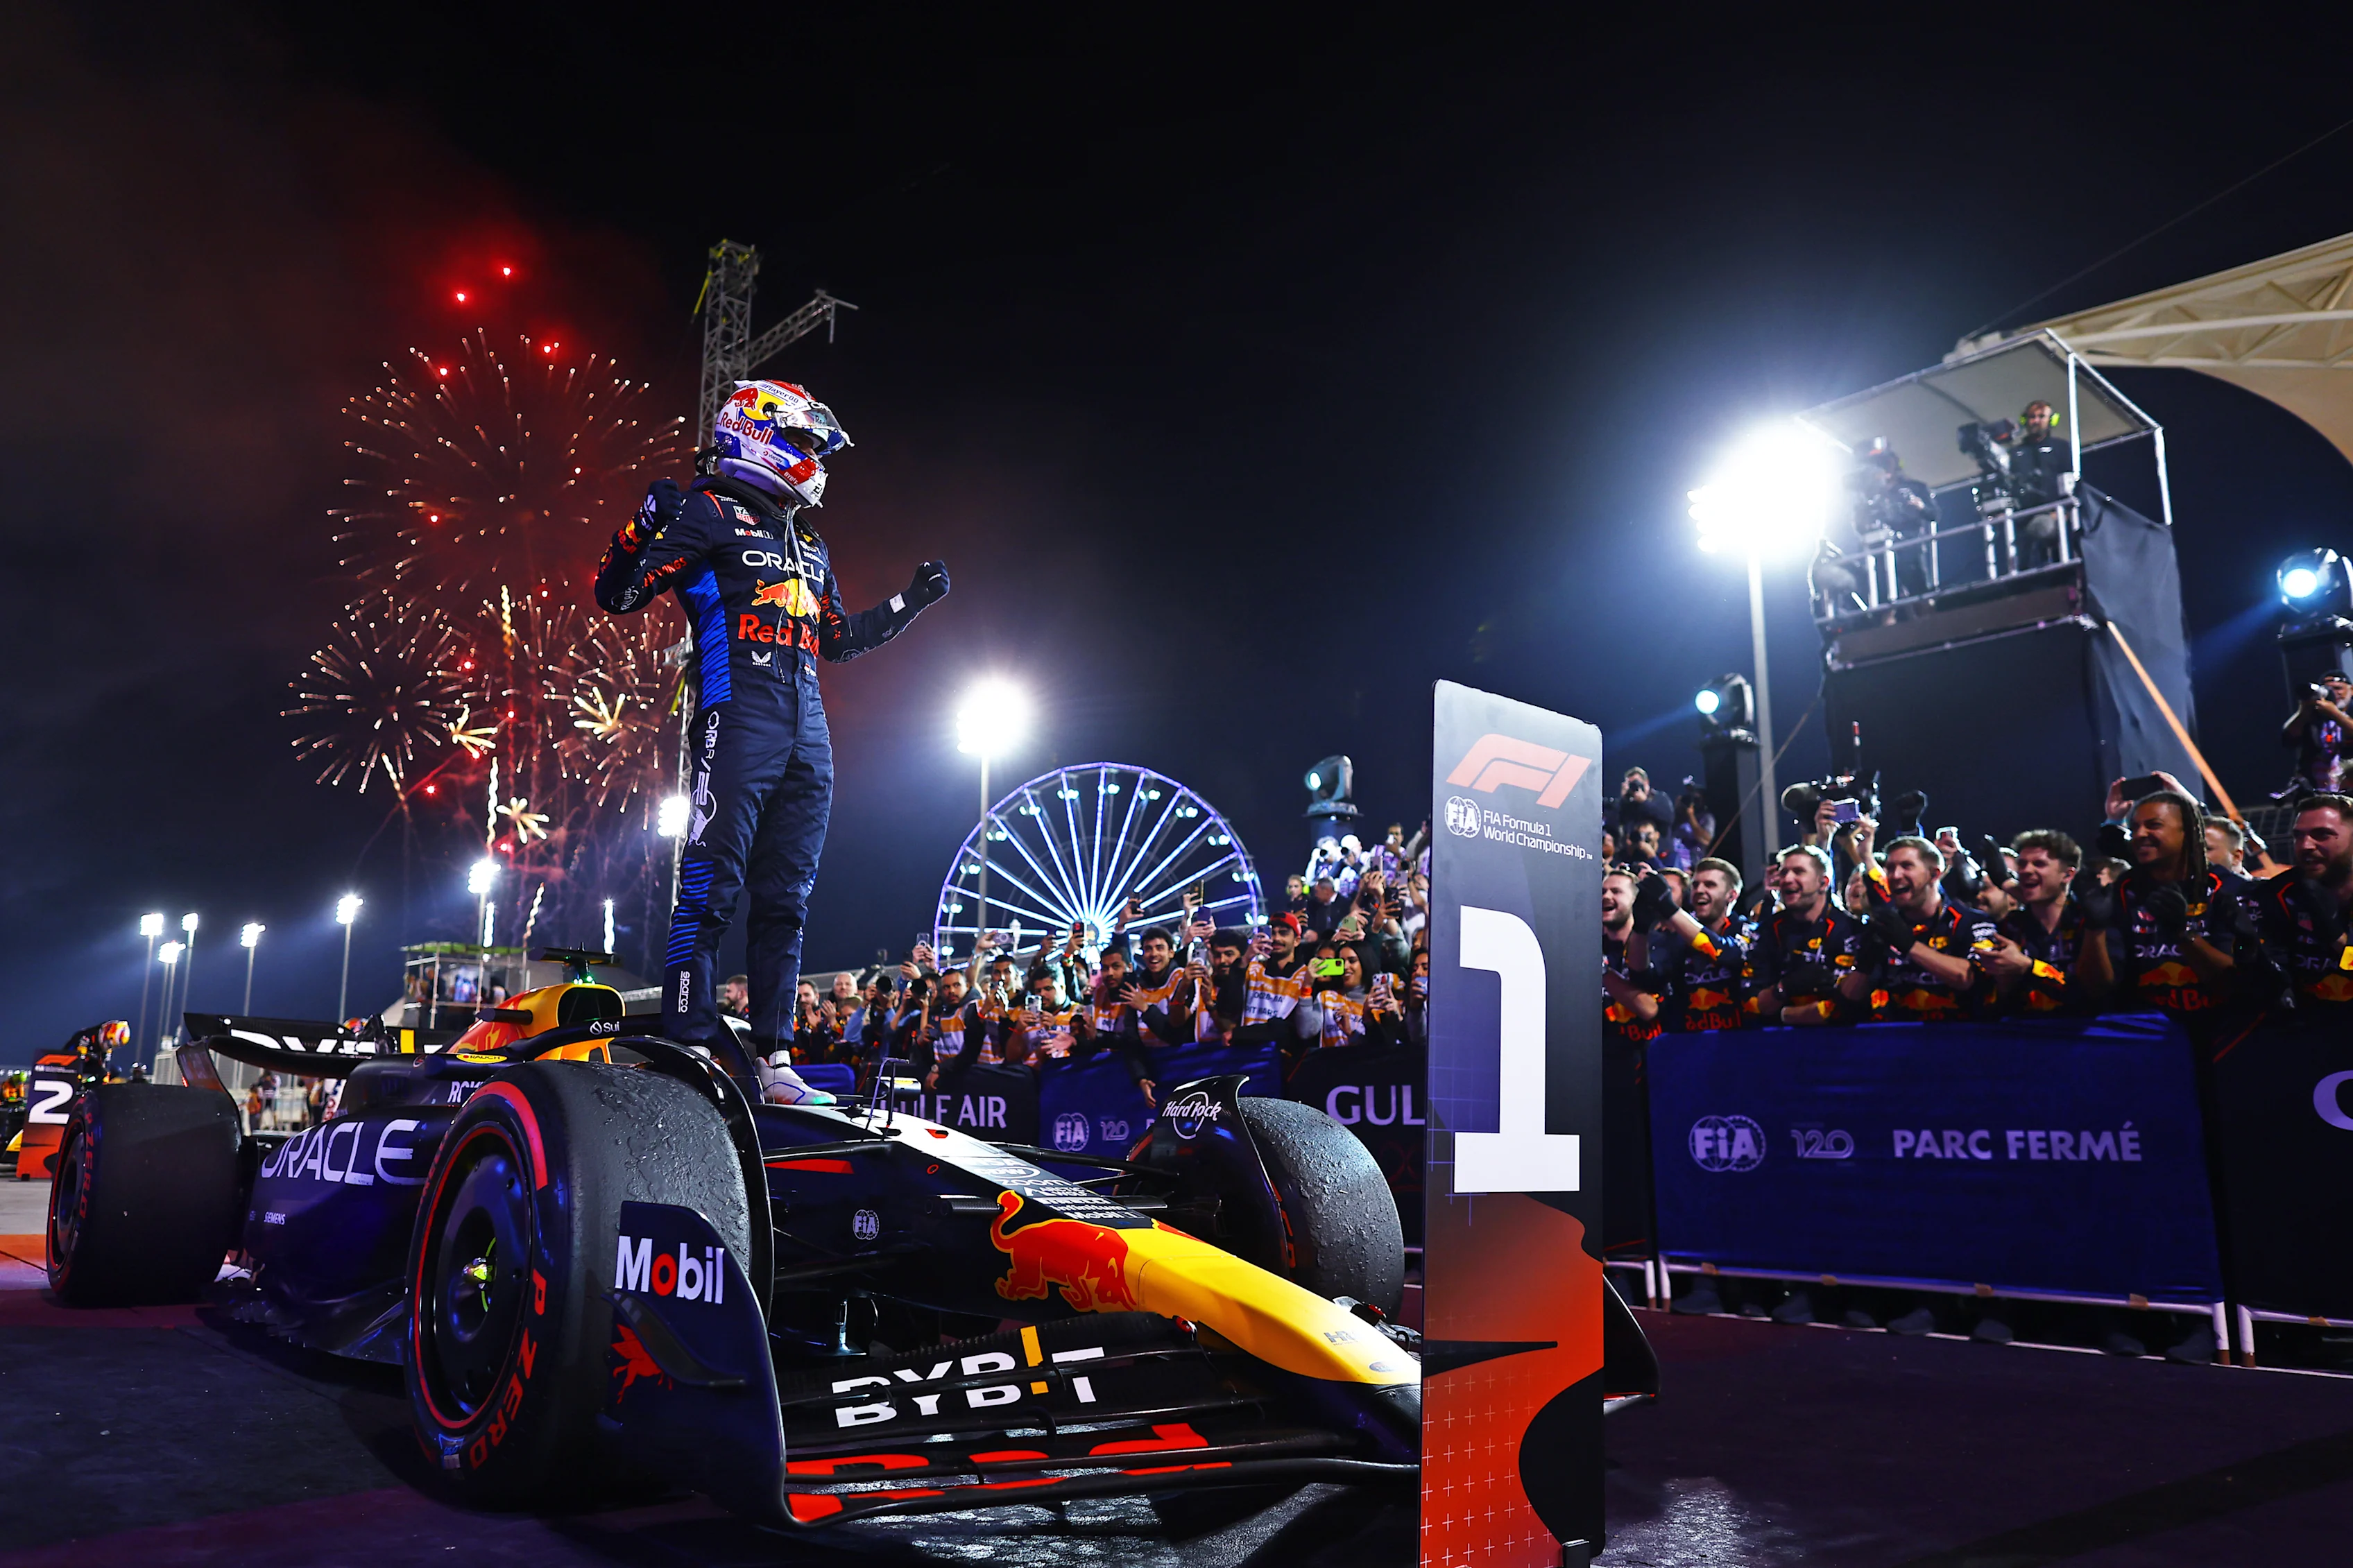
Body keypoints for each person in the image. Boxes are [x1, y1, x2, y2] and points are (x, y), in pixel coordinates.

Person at [592, 379, 950, 1083]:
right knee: (711, 886)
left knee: (786, 898)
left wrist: (911, 600)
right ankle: (690, 1040)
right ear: (757, 432)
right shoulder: (708, 510)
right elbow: (618, 594)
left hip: (807, 735)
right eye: (806, 440)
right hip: (739, 718)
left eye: (818, 446)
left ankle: (775, 1055)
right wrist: (638, 526)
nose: (815, 455)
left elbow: (839, 640)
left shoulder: (808, 539)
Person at [2074, 788, 2248, 1022]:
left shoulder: (2229, 889)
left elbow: (2238, 984)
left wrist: (2183, 935)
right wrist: (2094, 929)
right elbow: (2096, 990)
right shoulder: (2122, 892)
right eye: (2134, 828)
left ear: (2188, 832)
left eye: (2153, 825)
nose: (2140, 834)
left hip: (2222, 1033)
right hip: (2146, 1038)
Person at [1845, 838, 1996, 1022]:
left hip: (1960, 1041)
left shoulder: (1972, 922)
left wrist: (1909, 945)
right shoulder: (1881, 926)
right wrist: (1864, 964)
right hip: (1895, 1042)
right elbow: (1849, 999)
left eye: (1906, 866)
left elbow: (1969, 977)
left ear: (1934, 875)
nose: (1895, 875)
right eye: (1890, 868)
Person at [2250, 793, 2353, 1018]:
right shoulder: (2277, 894)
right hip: (2306, 1027)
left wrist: (2334, 935)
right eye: (2298, 836)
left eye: (2322, 835)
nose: (2305, 846)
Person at [1745, 845, 1867, 1025]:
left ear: (1823, 883)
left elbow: (1845, 1006)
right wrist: (1785, 987)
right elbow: (1753, 1005)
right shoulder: (1765, 931)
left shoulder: (1851, 929)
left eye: (1799, 872)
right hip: (1780, 1046)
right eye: (1784, 872)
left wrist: (1784, 1014)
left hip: (1842, 1044)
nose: (1787, 879)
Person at [1982, 830, 2092, 1014]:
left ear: (2068, 875)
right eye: (2022, 864)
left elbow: (2094, 992)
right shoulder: (2011, 926)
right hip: (2024, 1038)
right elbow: (1992, 1006)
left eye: (2039, 864)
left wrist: (2028, 967)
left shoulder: (2087, 922)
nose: (2026, 871)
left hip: (2083, 1037)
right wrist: (2003, 982)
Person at [1651, 859, 1749, 1033]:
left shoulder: (1748, 931)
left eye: (1710, 885)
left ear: (1731, 895)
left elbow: (1725, 954)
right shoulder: (1673, 934)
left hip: (1739, 1042)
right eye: (1695, 885)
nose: (1699, 891)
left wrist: (1668, 907)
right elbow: (1648, 979)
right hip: (1687, 1045)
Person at [2282, 673, 2353, 796]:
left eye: (2338, 688)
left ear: (2351, 690)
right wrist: (2304, 710)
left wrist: (2335, 714)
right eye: (2328, 690)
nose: (2334, 693)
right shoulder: (2311, 716)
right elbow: (2288, 739)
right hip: (2316, 791)